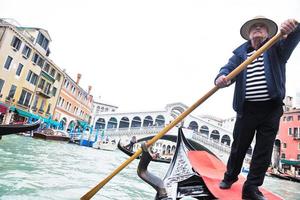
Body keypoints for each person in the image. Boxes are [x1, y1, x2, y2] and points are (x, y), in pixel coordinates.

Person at [215, 16, 299, 200]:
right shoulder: (239, 55)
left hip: (271, 110)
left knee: (263, 150)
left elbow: (292, 40)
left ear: (269, 33)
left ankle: (251, 187)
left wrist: (292, 29)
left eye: (262, 27)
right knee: (239, 147)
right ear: (249, 34)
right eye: (254, 27)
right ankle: (229, 177)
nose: (258, 28)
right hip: (247, 110)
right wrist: (221, 78)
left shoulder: (276, 48)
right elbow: (226, 70)